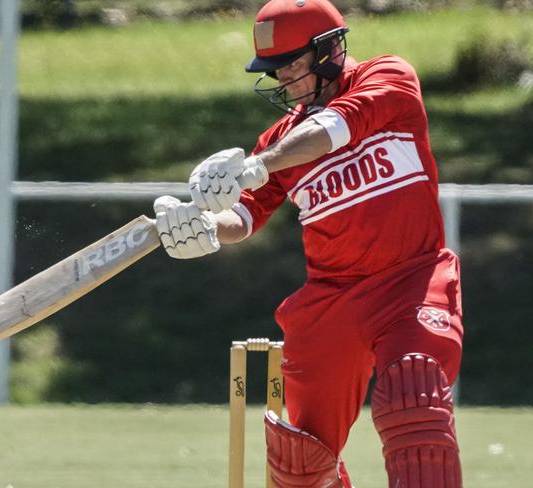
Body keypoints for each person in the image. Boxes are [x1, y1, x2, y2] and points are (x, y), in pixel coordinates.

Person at [153, 0, 464, 486]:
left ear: (330, 50)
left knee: (413, 395)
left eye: (291, 64)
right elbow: (246, 213)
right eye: (274, 71)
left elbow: (337, 127)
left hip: (410, 281)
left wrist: (258, 165)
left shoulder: (389, 77)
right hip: (330, 302)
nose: (284, 81)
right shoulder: (279, 141)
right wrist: (208, 232)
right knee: (301, 460)